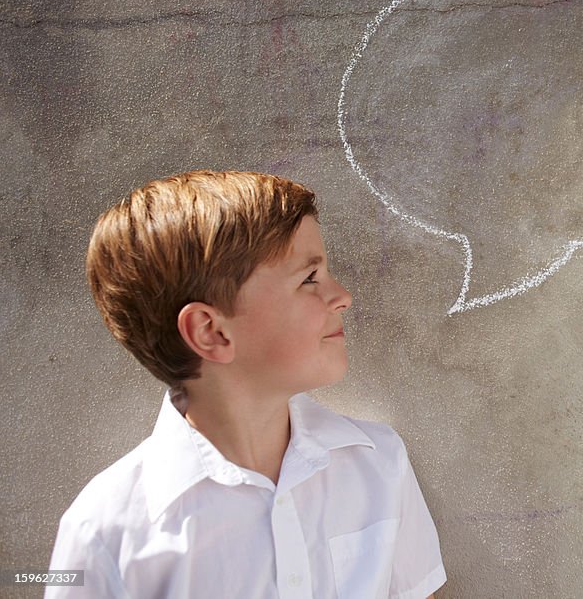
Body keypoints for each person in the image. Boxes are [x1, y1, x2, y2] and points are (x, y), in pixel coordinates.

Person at [46, 170, 446, 598]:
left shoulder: (378, 464)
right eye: (309, 279)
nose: (342, 295)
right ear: (211, 332)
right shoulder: (106, 533)